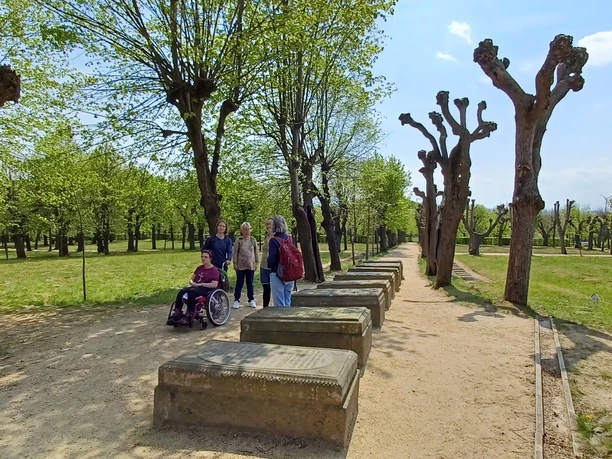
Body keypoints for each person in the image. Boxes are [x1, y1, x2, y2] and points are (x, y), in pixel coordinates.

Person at [168, 249, 220, 325]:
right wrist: (192, 283)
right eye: (202, 257)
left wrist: (201, 284)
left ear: (210, 259)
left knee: (192, 292)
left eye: (205, 257)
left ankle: (190, 313)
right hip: (196, 286)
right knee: (182, 291)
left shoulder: (214, 270)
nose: (203, 258)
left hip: (206, 288)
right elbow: (191, 279)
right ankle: (177, 311)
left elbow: (214, 284)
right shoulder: (199, 268)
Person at [267, 215, 295, 307]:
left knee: (279, 304)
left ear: (274, 226)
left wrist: (268, 262)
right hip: (290, 273)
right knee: (287, 302)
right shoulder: (290, 238)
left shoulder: (274, 240)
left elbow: (271, 261)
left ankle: (281, 316)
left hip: (277, 273)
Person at [232, 222, 259, 309]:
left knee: (250, 283)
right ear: (242, 230)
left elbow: (256, 252)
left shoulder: (253, 240)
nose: (247, 231)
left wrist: (256, 262)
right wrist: (235, 263)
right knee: (239, 283)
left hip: (251, 265)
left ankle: (251, 299)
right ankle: (236, 300)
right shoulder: (239, 240)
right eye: (245, 229)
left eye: (248, 229)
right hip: (241, 265)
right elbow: (235, 252)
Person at [260, 217, 274, 308]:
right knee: (266, 287)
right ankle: (265, 307)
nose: (268, 226)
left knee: (275, 287)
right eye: (267, 224)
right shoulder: (266, 236)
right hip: (264, 265)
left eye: (270, 224)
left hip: (273, 266)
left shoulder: (276, 236)